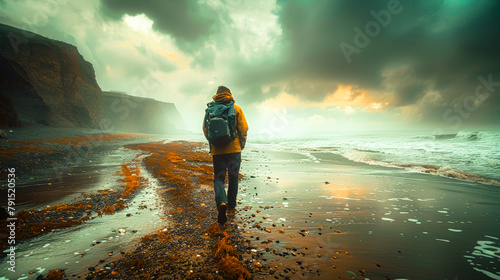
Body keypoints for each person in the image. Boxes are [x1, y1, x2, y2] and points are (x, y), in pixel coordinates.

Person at [203, 86, 248, 225]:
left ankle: (221, 202)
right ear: (229, 94)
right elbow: (244, 128)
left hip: (218, 151)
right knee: (233, 178)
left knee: (219, 179)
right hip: (234, 150)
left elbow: (205, 129)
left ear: (216, 96)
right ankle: (231, 206)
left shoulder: (210, 110)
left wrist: (214, 142)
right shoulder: (236, 108)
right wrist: (241, 144)